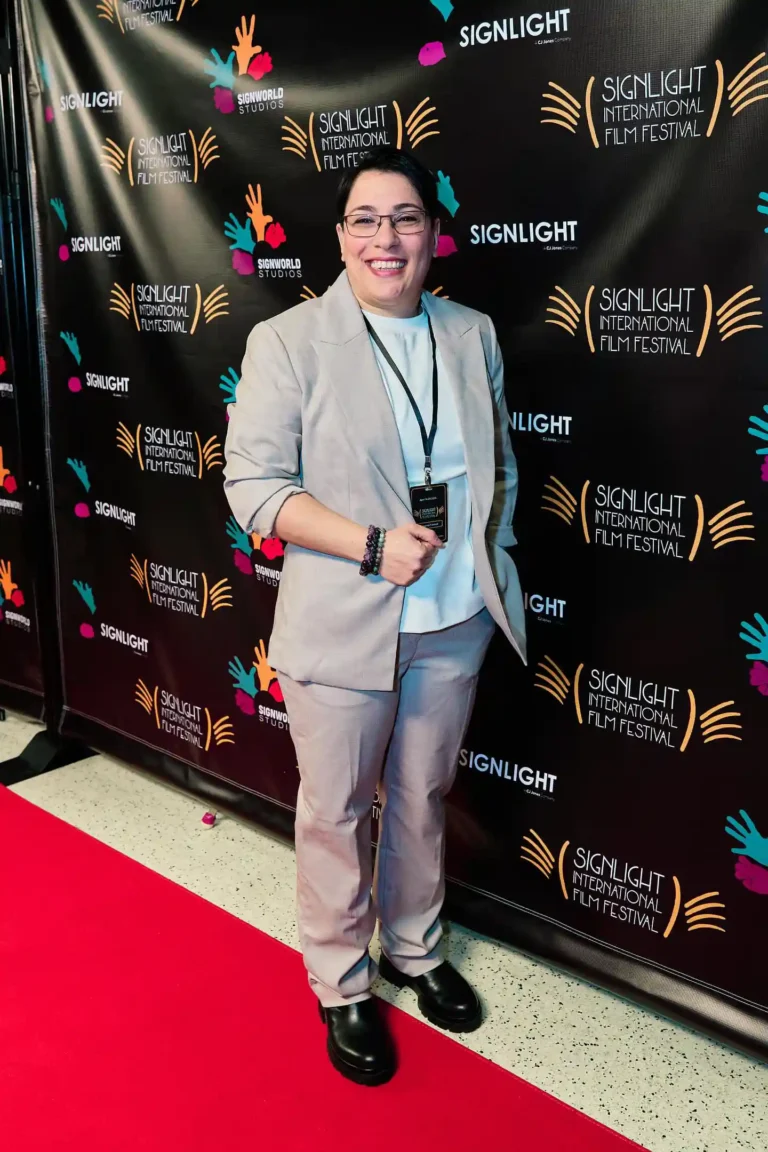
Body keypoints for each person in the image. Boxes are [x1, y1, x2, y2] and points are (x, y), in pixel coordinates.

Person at [223, 146, 526, 1086]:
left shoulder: (471, 332)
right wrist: (366, 544)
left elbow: (498, 465)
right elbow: (255, 490)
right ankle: (342, 982)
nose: (385, 238)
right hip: (345, 622)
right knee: (336, 811)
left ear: (434, 236)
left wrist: (489, 560)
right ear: (342, 234)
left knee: (424, 797)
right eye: (365, 219)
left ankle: (414, 949)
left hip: (454, 619)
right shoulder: (289, 342)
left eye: (404, 219)